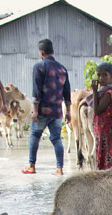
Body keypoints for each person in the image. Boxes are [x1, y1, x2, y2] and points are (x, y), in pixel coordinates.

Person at [24, 38, 71, 176]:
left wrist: (35, 111)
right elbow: (67, 91)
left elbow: (37, 91)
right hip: (57, 111)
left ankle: (31, 165)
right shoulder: (62, 68)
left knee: (34, 135)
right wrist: (68, 111)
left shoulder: (39, 67)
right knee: (57, 139)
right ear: (53, 51)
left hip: (43, 111)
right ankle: (59, 168)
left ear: (41, 52)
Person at [90, 62, 112, 171]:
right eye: (99, 75)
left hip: (106, 131)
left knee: (104, 159)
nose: (101, 78)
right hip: (101, 130)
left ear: (111, 76)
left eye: (105, 75)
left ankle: (104, 180)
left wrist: (94, 91)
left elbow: (97, 110)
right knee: (101, 156)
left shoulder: (109, 93)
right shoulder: (103, 91)